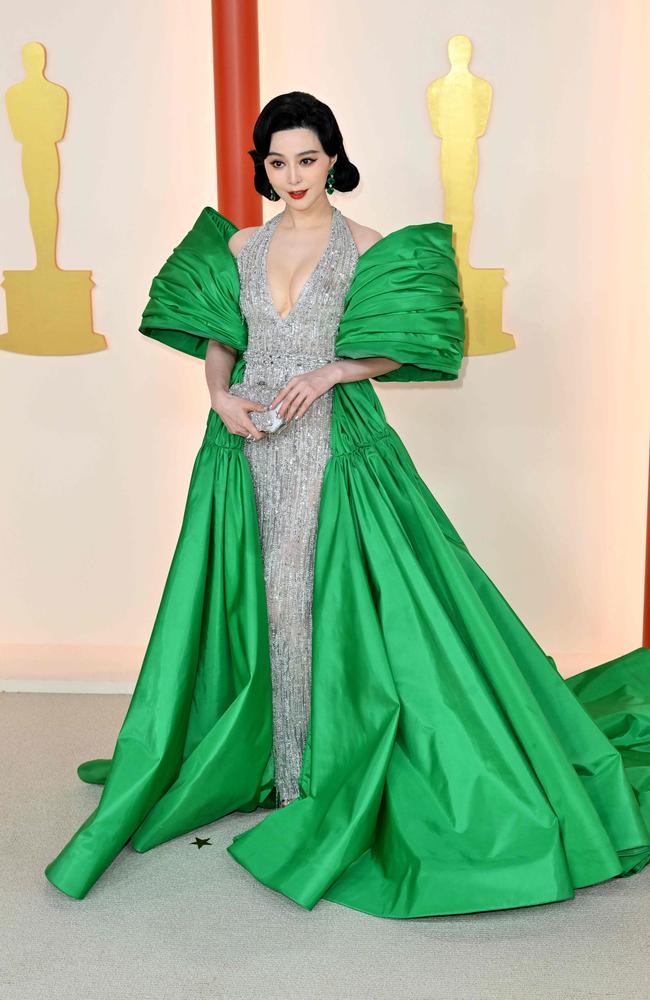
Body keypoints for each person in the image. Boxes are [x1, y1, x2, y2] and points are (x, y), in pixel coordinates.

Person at [44, 91, 650, 919]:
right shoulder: (241, 244)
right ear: (263, 165)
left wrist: (333, 371)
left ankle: (317, 769)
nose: (291, 175)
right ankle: (268, 756)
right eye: (276, 160)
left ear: (333, 158)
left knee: (320, 602)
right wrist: (219, 397)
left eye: (307, 158)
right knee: (252, 603)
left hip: (332, 445)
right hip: (245, 445)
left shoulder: (364, 246)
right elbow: (222, 339)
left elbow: (408, 345)